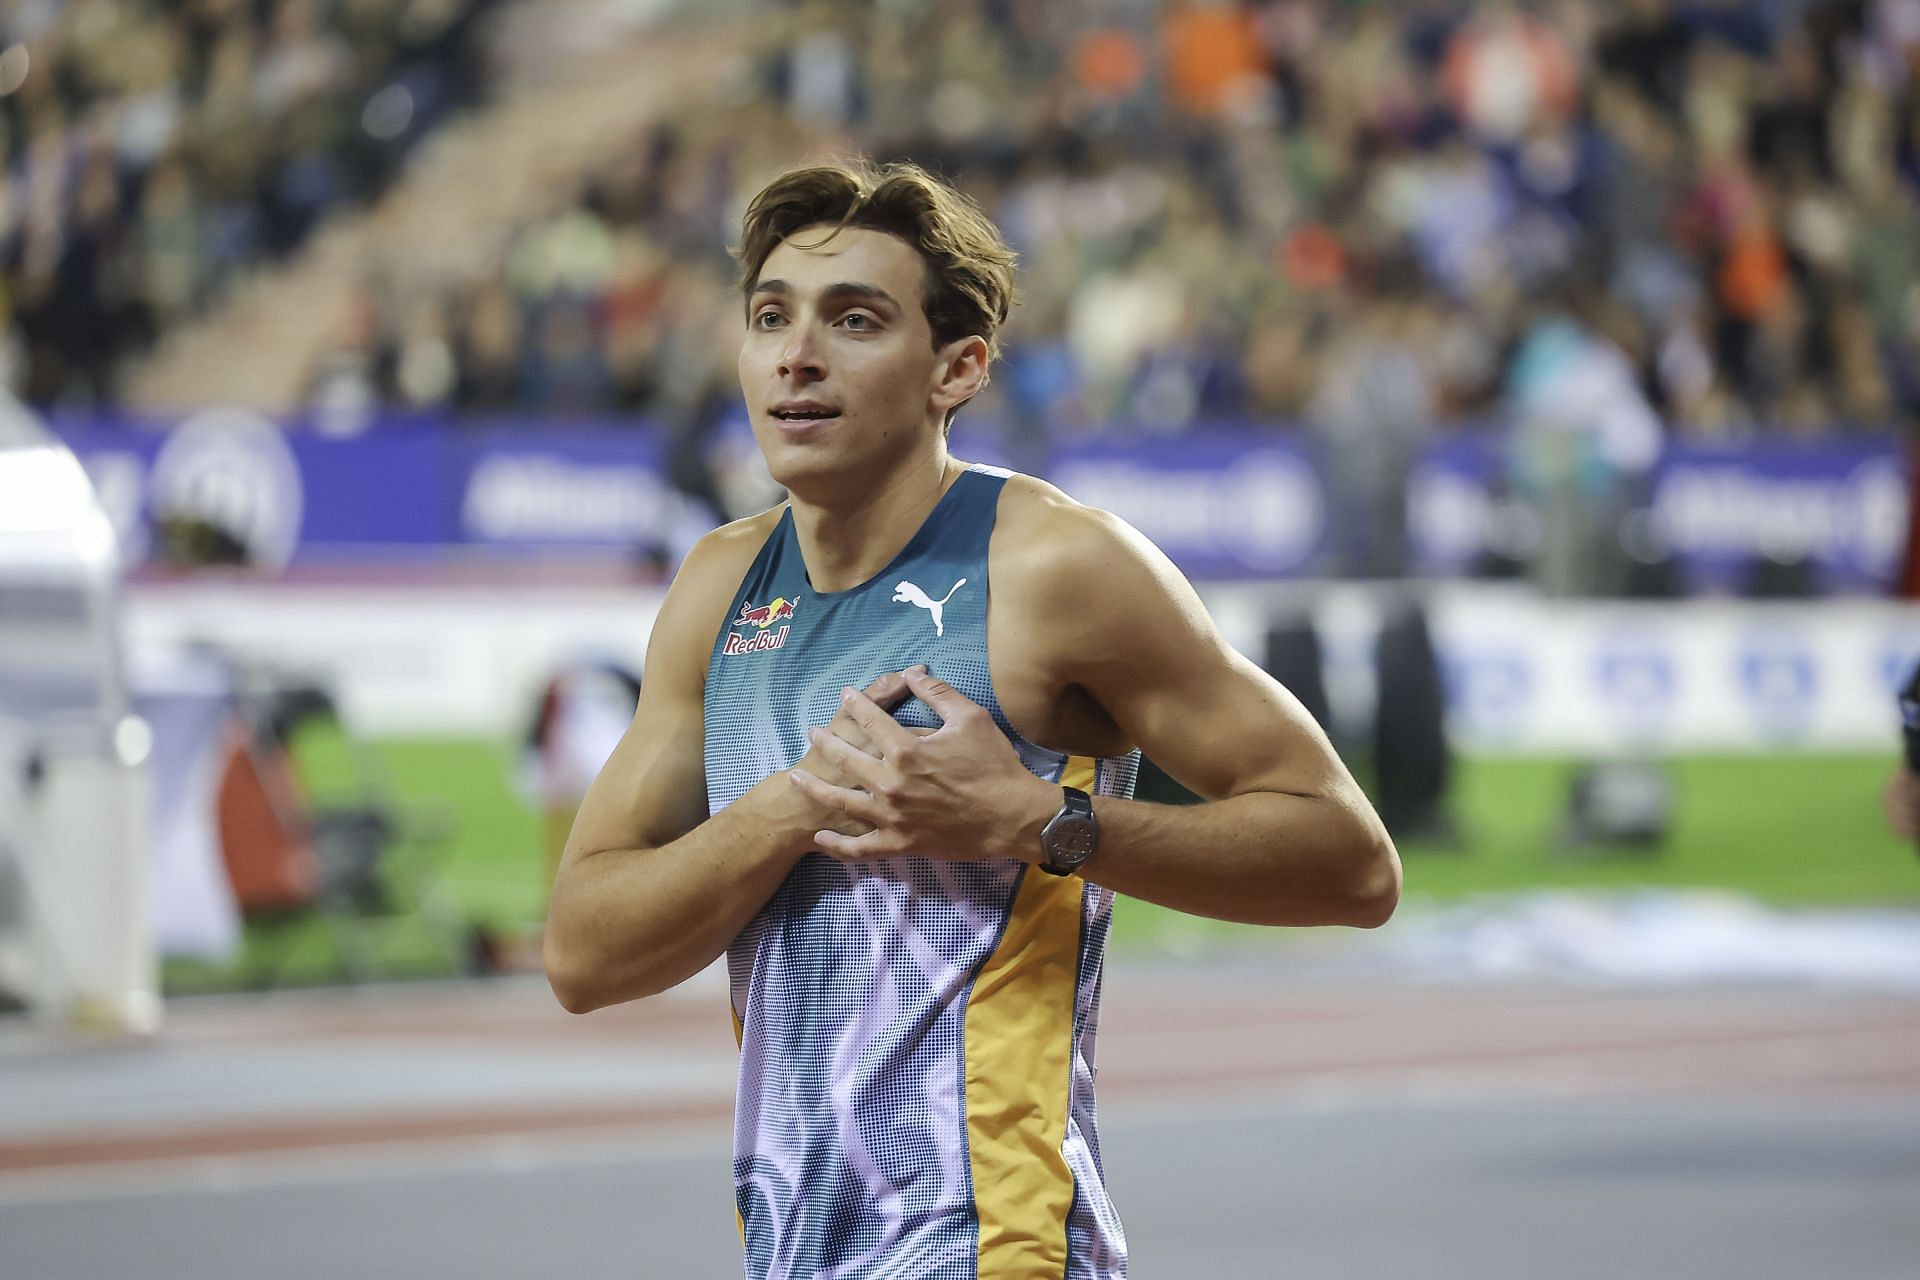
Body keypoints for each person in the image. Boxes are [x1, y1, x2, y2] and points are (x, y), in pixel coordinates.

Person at [543, 159, 1402, 1280]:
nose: (797, 354)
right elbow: (582, 951)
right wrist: (796, 803)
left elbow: (1351, 861)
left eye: (854, 320)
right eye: (770, 317)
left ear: (957, 367)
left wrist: (1044, 821)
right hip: (793, 1249)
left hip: (996, 1245)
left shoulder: (1056, 566)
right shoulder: (718, 589)